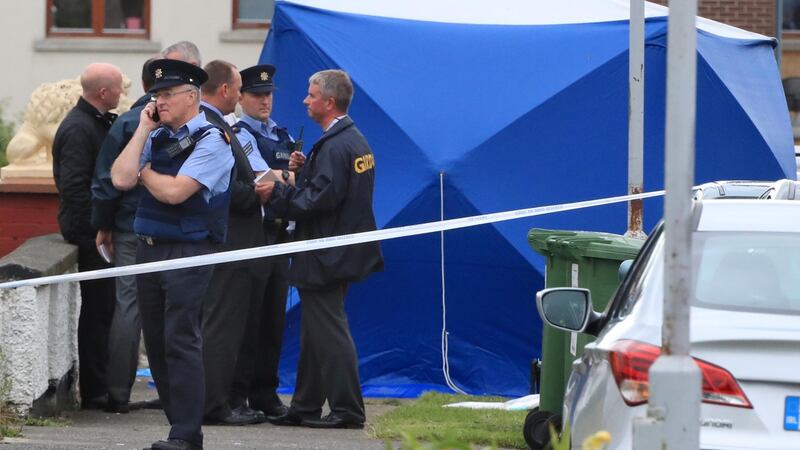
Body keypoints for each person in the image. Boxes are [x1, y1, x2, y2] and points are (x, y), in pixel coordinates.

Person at [110, 59, 233, 450]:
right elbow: (119, 177)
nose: (159, 101)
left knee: (181, 339)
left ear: (192, 96)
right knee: (159, 342)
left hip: (187, 250)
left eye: (166, 95)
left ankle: (186, 434)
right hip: (149, 249)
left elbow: (176, 192)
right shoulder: (154, 133)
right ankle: (178, 426)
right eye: (156, 95)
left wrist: (145, 172)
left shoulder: (213, 138)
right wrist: (144, 127)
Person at [259, 69, 384, 429]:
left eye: (311, 95)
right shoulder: (351, 140)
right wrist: (306, 168)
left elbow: (318, 201)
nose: (305, 100)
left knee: (329, 330)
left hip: (325, 253)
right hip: (340, 249)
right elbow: (334, 188)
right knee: (315, 330)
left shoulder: (337, 145)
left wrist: (278, 194)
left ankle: (347, 410)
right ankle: (305, 406)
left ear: (329, 102)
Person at [198, 60, 269, 426]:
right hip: (229, 243)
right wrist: (256, 192)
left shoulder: (219, 124)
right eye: (240, 88)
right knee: (221, 328)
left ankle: (221, 400)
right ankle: (214, 404)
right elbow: (219, 189)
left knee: (228, 326)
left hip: (236, 243)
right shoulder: (212, 128)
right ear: (225, 89)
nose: (242, 96)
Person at [229, 64, 301, 418]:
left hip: (280, 236)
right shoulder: (239, 133)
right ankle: (237, 394)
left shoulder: (281, 134)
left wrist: (286, 176)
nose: (265, 101)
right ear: (240, 97)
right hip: (256, 236)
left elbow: (287, 179)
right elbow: (266, 179)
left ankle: (265, 393)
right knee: (248, 320)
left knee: (273, 319)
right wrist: (290, 174)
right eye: (257, 95)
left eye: (269, 94)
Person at [52, 62, 124, 410]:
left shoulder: (92, 122)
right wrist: (98, 230)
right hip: (88, 232)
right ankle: (96, 391)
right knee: (98, 313)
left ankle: (101, 385)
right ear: (103, 93)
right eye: (118, 88)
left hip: (94, 229)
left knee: (105, 310)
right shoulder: (80, 129)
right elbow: (75, 188)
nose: (123, 94)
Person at [91, 58, 156, 414]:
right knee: (171, 308)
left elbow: (105, 181)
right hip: (172, 231)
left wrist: (104, 226)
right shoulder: (188, 122)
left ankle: (117, 393)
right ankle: (175, 391)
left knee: (128, 307)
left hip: (130, 228)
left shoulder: (127, 123)